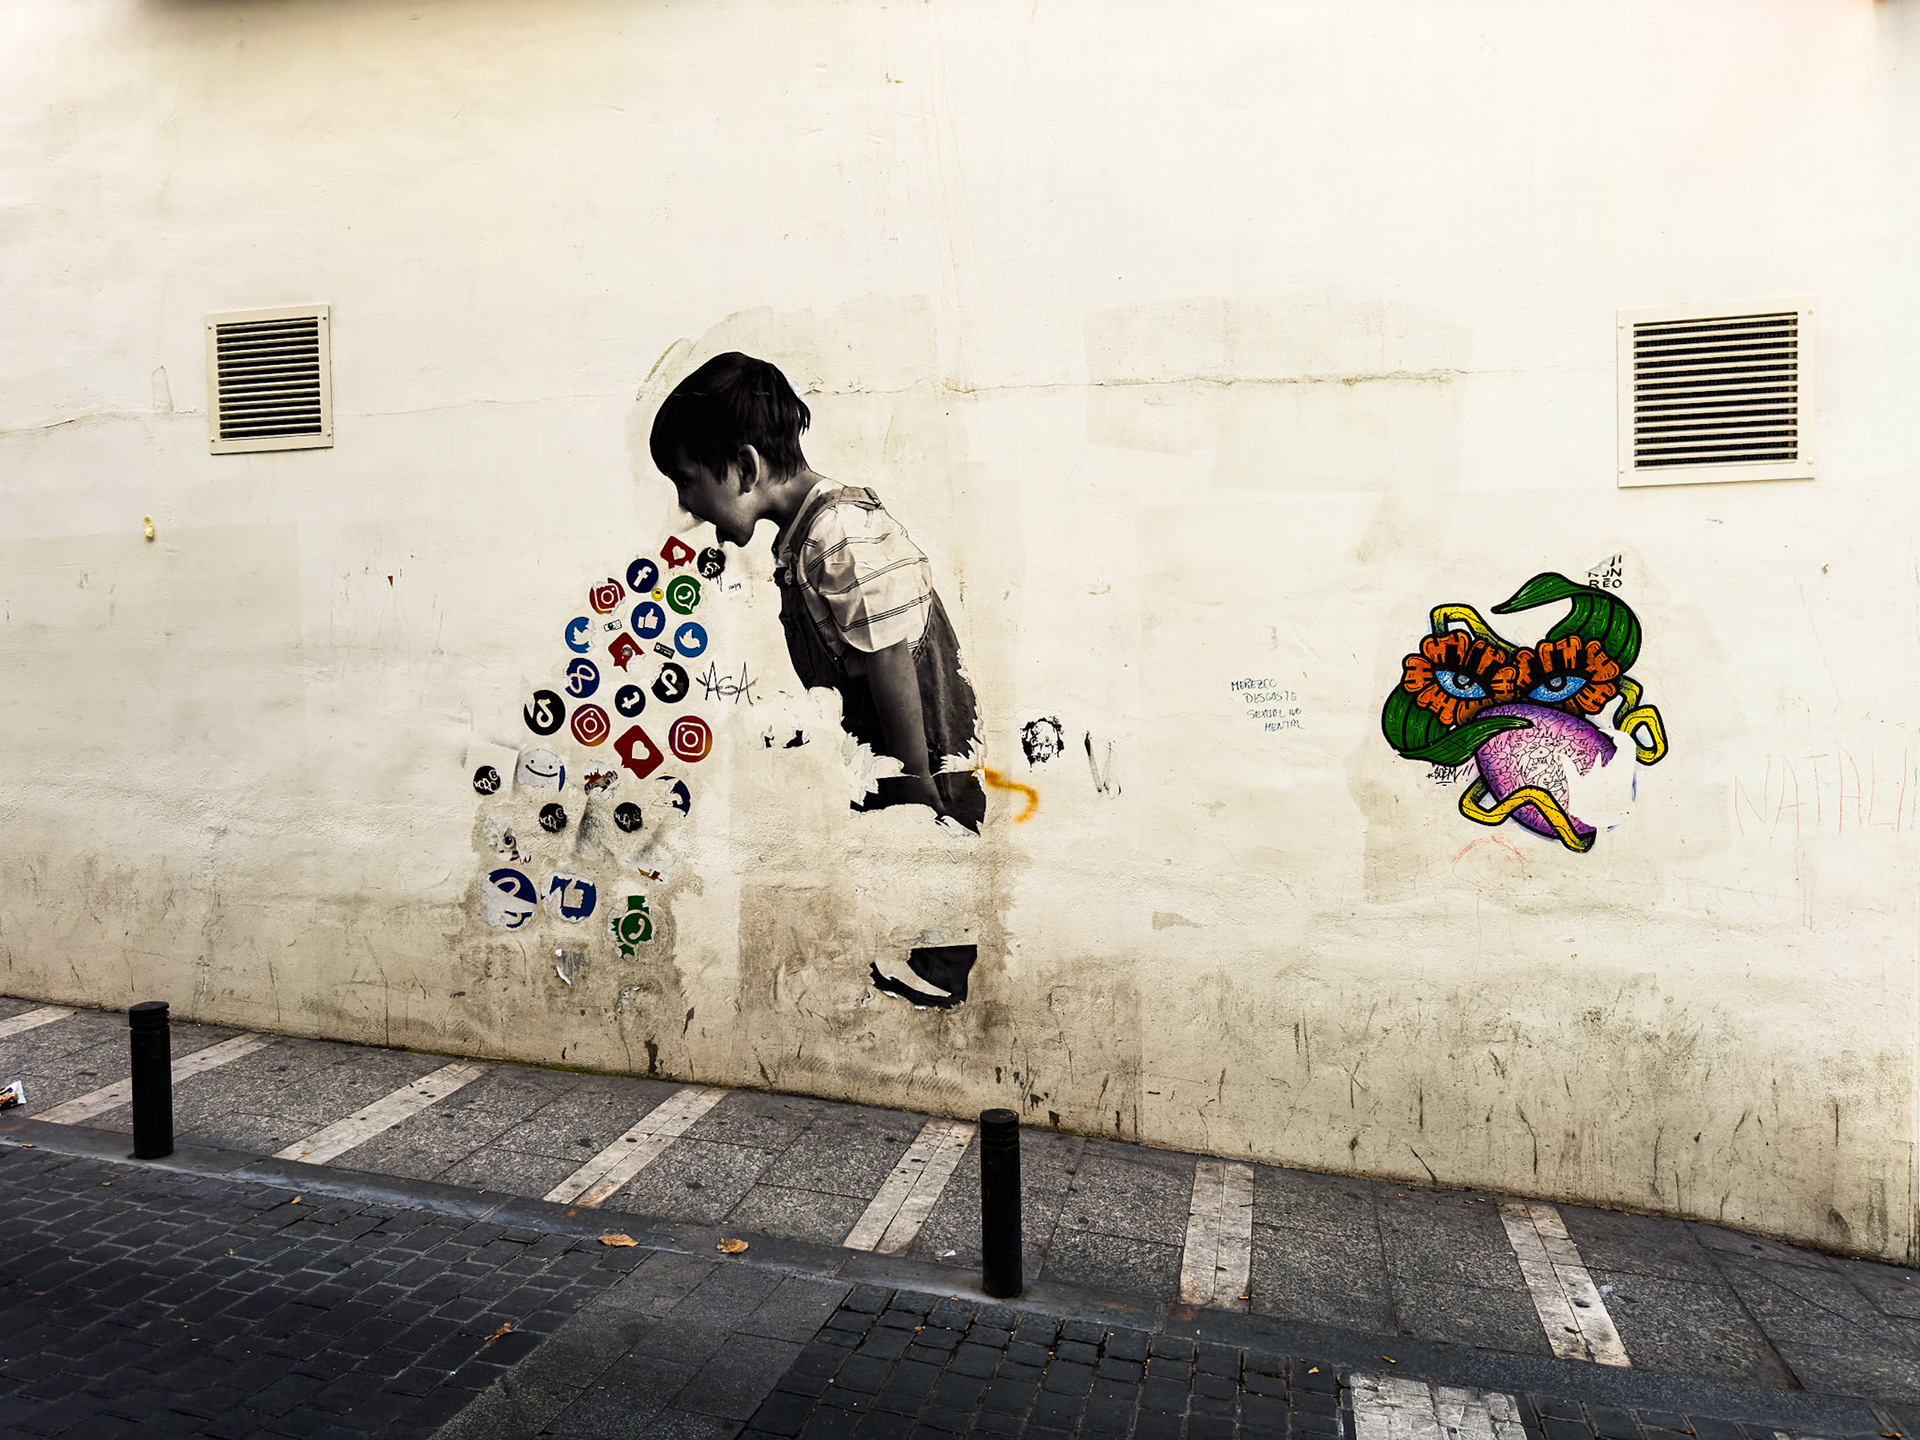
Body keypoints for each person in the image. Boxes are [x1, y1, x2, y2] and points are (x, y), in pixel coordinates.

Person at [648, 352, 985, 832]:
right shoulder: (804, 541)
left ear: (745, 466)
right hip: (878, 769)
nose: (685, 505)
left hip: (928, 780)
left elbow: (889, 653)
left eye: (685, 481)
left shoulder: (838, 533)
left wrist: (912, 787)